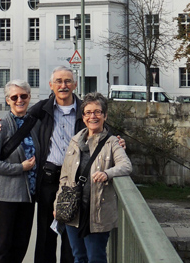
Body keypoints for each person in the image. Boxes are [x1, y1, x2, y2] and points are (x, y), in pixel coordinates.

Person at [0, 66, 84, 263]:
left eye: (67, 81)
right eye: (58, 81)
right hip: (47, 182)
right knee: (44, 237)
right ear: (51, 85)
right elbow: (15, 118)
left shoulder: (85, 110)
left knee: (71, 237)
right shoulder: (42, 109)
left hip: (73, 183)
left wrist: (118, 140)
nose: (63, 85)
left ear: (75, 84)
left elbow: (101, 126)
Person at [54, 92, 132, 263]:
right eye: (88, 112)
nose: (93, 116)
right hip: (74, 211)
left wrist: (107, 173)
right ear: (83, 117)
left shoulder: (112, 142)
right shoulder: (75, 141)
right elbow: (64, 177)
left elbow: (126, 166)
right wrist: (57, 204)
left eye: (97, 112)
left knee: (96, 258)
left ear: (105, 115)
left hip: (98, 212)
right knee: (78, 257)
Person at [0, 80, 40, 263]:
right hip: (5, 197)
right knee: (3, 247)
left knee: (20, 246)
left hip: (27, 196)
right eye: (14, 97)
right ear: (8, 100)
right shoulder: (1, 125)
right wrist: (20, 168)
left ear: (29, 97)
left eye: (23, 96)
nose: (19, 100)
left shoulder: (34, 124)